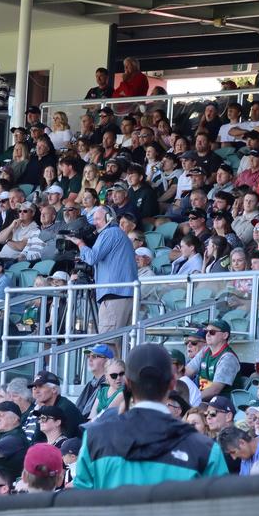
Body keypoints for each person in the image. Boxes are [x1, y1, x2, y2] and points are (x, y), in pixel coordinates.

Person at [74, 344, 229, 489]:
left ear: (127, 384)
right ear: (173, 383)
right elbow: (222, 513)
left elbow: (80, 507)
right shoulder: (205, 449)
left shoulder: (95, 438)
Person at [68, 206, 137, 333]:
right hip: (122, 294)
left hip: (114, 296)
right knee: (118, 347)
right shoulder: (117, 233)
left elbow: (92, 258)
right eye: (93, 219)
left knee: (107, 345)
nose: (95, 223)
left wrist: (80, 243)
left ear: (109, 218)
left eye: (98, 219)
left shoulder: (109, 233)